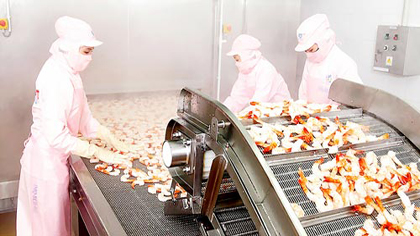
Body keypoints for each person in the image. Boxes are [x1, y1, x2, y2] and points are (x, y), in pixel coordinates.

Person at [16, 16, 132, 236]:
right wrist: (96, 151)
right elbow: (56, 137)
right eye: (86, 51)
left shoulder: (71, 74)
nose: (90, 58)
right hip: (43, 168)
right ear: (69, 49)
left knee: (59, 228)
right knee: (45, 231)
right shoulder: (54, 78)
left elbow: (85, 120)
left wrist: (107, 136)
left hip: (56, 164)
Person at [296, 14, 363, 104]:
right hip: (309, 115)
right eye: (306, 51)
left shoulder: (344, 63)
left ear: (324, 41)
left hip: (334, 116)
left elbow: (353, 100)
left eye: (311, 50)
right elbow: (303, 93)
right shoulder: (310, 60)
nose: (308, 55)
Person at [223, 34, 291, 113]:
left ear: (247, 55)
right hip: (263, 114)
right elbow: (237, 98)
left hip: (280, 114)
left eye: (238, 60)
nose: (237, 63)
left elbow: (258, 102)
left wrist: (240, 117)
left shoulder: (266, 70)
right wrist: (222, 111)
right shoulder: (245, 71)